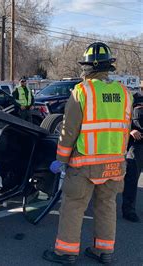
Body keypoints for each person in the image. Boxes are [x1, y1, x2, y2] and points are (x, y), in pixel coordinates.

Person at [43, 42, 132, 265]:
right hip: (115, 164)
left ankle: (66, 252)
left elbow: (69, 130)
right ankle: (103, 251)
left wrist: (61, 160)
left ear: (88, 67)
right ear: (108, 67)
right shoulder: (124, 92)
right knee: (106, 206)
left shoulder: (82, 91)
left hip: (85, 163)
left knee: (73, 206)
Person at [122, 94, 143, 222]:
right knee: (131, 178)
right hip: (137, 145)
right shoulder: (132, 99)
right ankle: (128, 210)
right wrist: (130, 131)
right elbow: (121, 120)